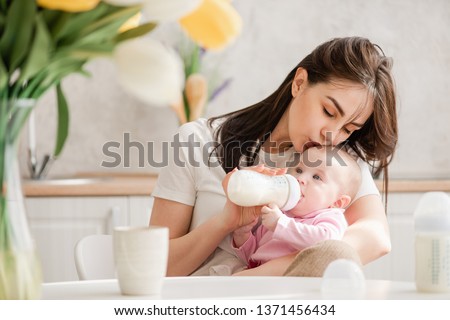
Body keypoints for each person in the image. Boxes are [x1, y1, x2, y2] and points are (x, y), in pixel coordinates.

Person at [150, 36, 398, 277]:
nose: (332, 136)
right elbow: (155, 266)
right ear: (299, 83)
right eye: (328, 111)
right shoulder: (197, 140)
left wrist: (258, 277)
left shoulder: (337, 166)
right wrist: (225, 222)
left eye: (348, 129)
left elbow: (375, 238)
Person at [230, 146, 361, 275]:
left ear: (337, 202)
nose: (300, 179)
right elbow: (253, 256)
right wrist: (243, 235)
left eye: (316, 177)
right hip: (256, 272)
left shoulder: (329, 217)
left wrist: (280, 224)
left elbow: (326, 243)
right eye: (299, 170)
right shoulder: (279, 213)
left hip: (293, 277)